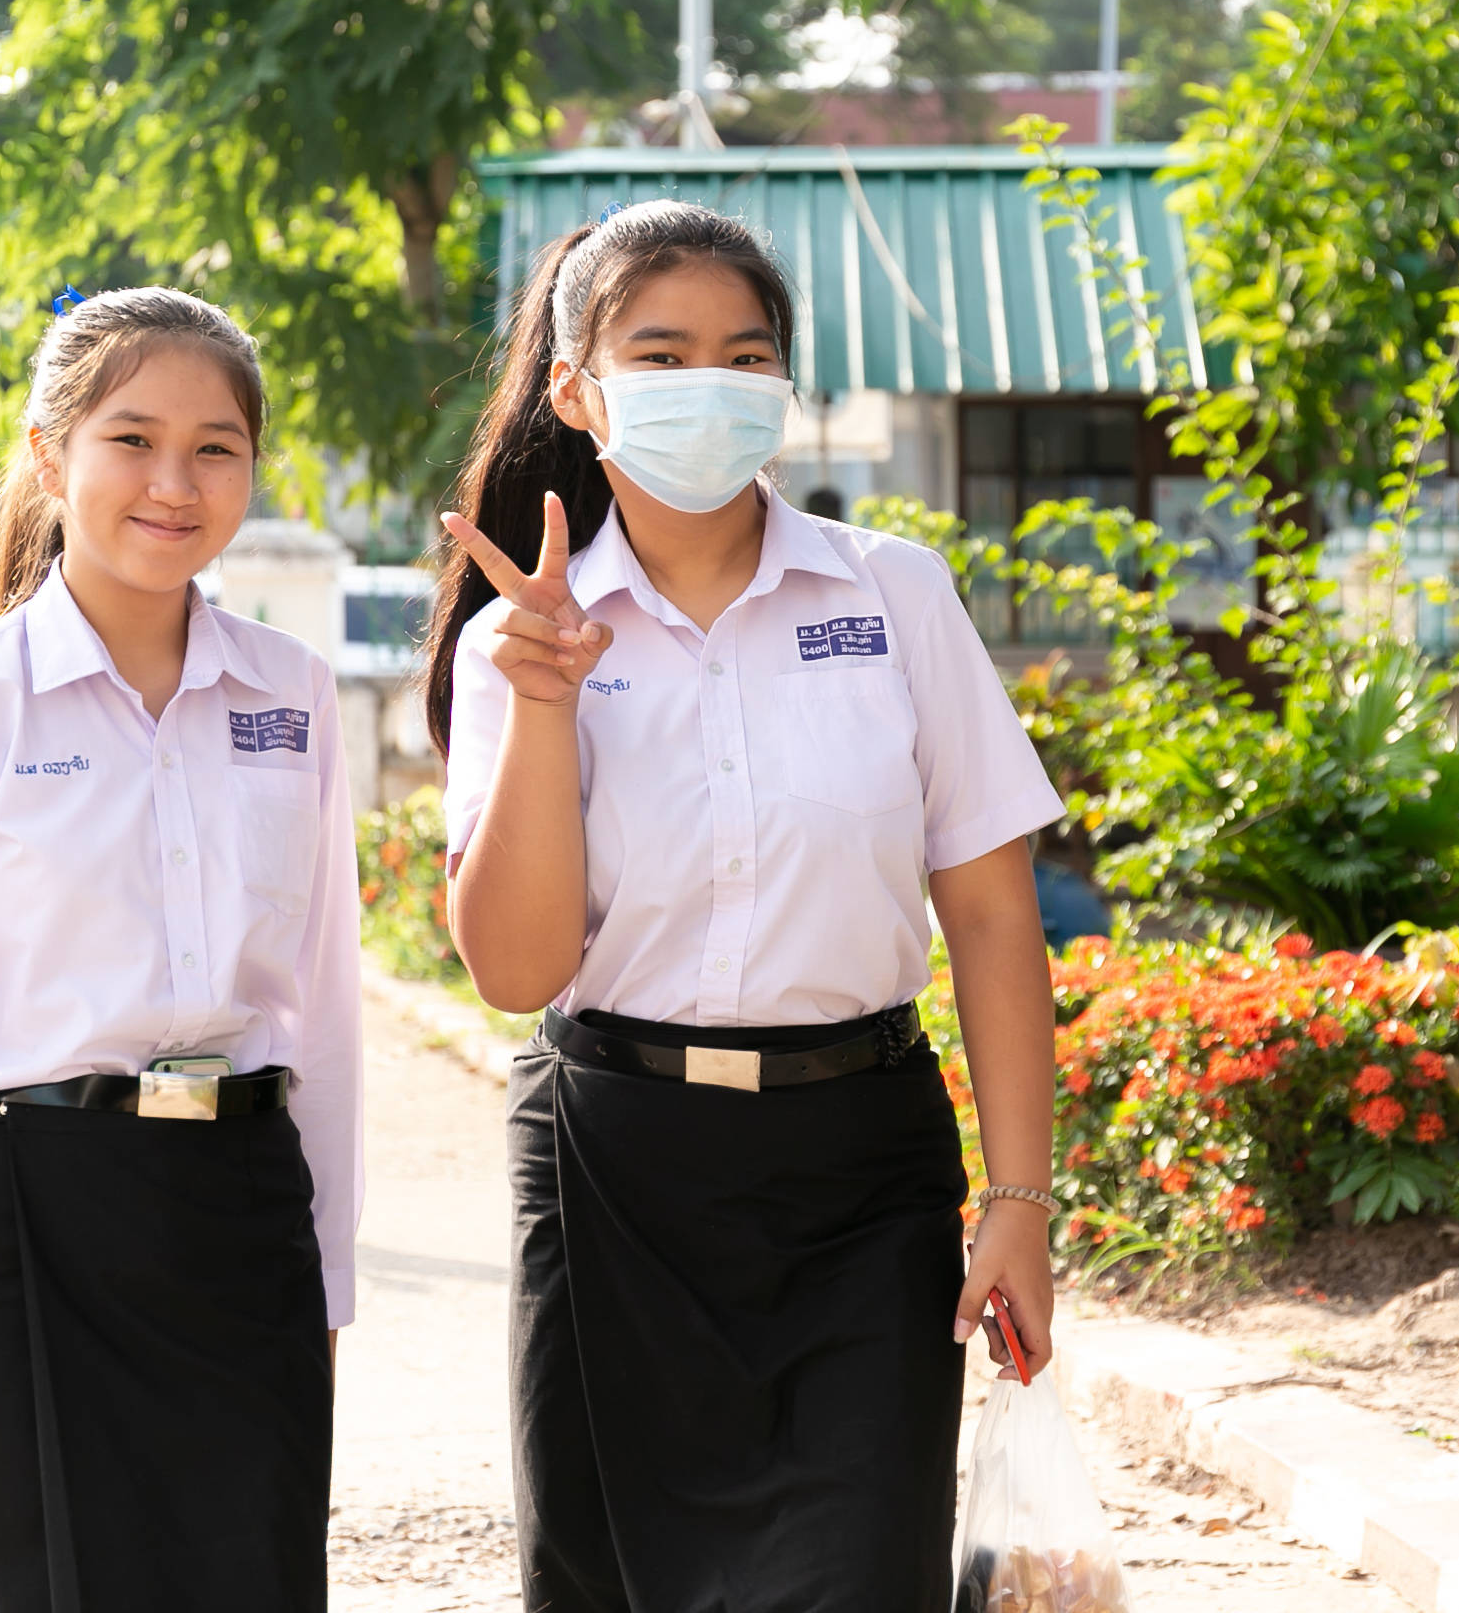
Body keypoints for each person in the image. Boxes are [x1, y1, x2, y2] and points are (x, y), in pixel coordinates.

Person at [427, 199, 1065, 1613]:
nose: (706, 385)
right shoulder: (515, 643)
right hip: (614, 1170)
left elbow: (994, 914)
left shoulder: (894, 598)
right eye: (658, 356)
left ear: (782, 382)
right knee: (614, 1584)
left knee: (856, 1577)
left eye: (744, 352)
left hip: (860, 1175)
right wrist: (546, 699)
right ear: (576, 390)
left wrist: (1019, 1202)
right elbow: (520, 969)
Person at [0, 286, 363, 1613]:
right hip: (25, 1221)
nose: (176, 482)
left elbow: (328, 1016)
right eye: (132, 440)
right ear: (52, 455)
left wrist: (326, 1295)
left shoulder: (293, 694)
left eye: (216, 447)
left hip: (242, 1225)